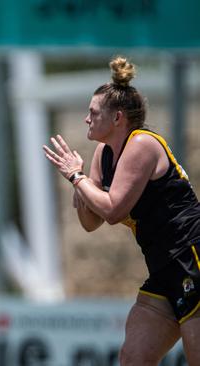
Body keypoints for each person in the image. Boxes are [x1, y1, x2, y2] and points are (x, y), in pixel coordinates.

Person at [43, 56, 200, 365]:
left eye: (93, 113)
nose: (86, 119)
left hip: (191, 257)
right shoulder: (103, 153)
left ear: (117, 118)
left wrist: (78, 177)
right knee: (133, 358)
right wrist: (81, 187)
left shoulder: (141, 143)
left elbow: (113, 210)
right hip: (163, 267)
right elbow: (92, 222)